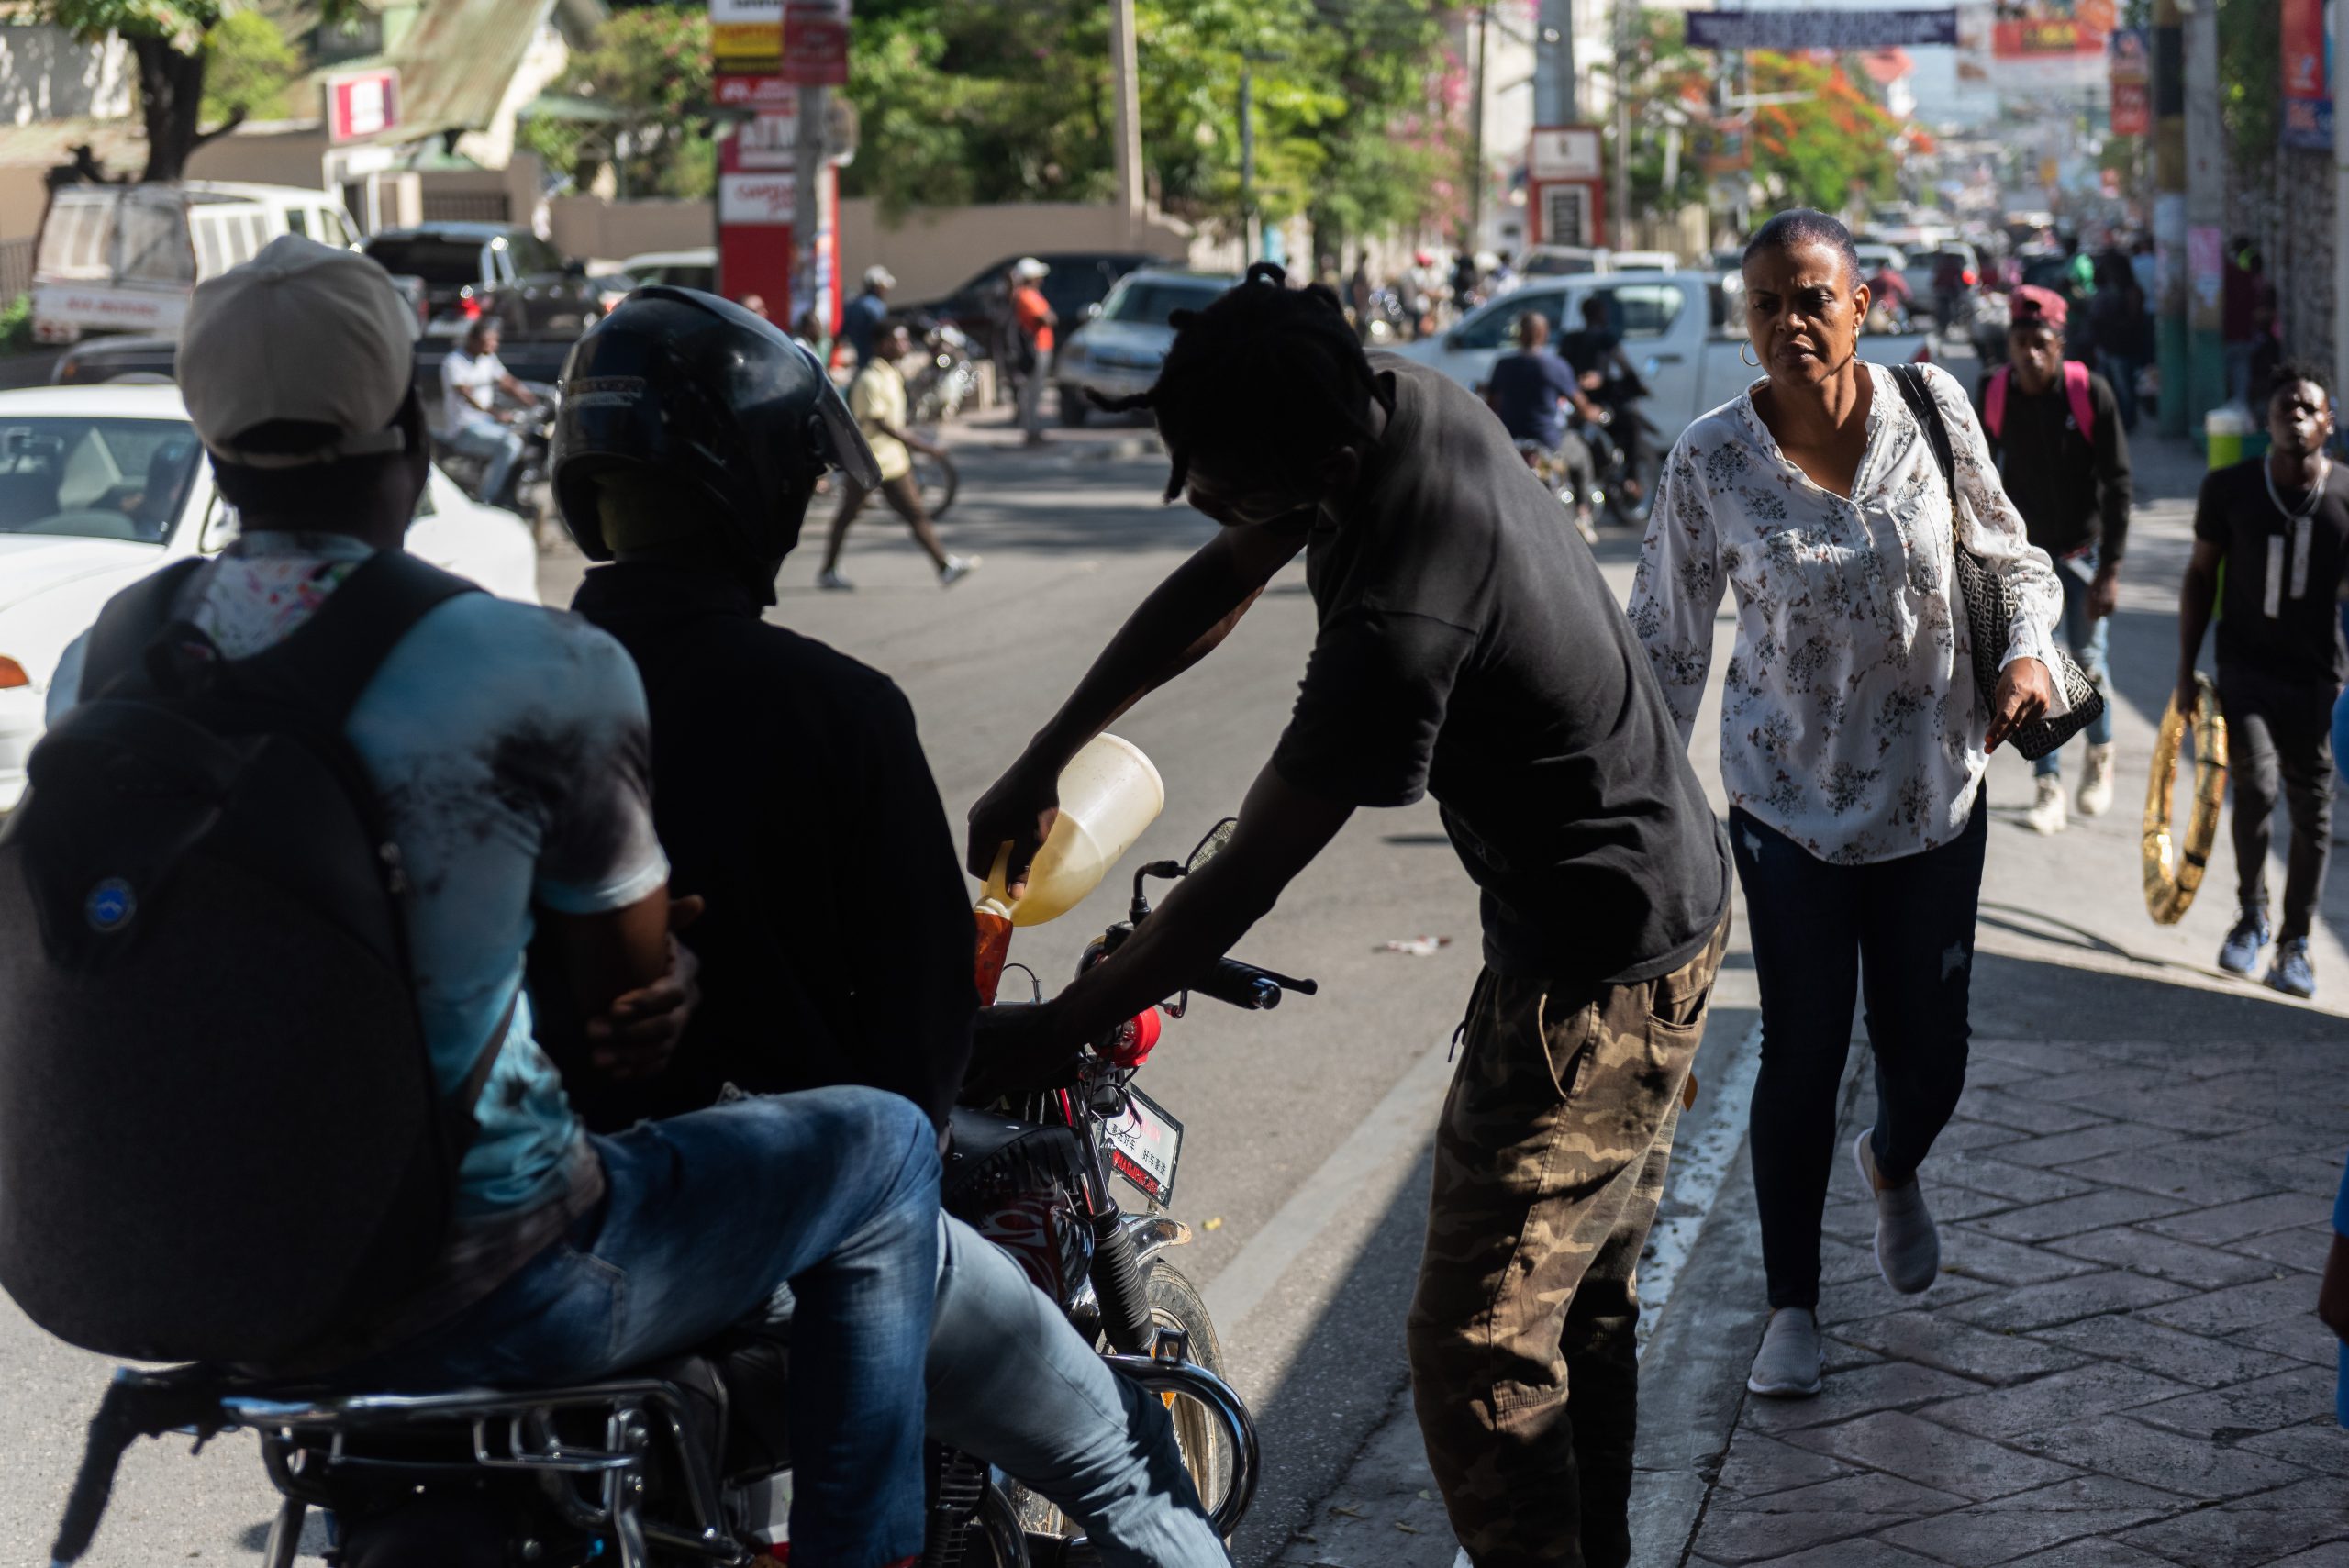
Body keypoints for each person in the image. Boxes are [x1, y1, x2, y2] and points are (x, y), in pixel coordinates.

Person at [42, 239, 941, 1567]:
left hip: (228, 1278)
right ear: (411, 423)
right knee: (883, 1150)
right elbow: (631, 1010)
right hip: (498, 1281)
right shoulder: (534, 664)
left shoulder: (104, 660)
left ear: (206, 433)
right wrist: (658, 971)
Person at [964, 263, 1732, 1568]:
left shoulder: (1403, 608)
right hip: (1639, 905)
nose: (1198, 502)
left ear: (1313, 461)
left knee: (1480, 1345)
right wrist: (1051, 746)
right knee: (1578, 1306)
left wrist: (1058, 1032)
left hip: (1595, 975)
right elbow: (1221, 573)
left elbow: (1252, 866)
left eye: (1220, 480)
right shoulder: (1394, 407)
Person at [507, 284, 1228, 1568]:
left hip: (526, 1245)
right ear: (764, 489)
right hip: (780, 1252)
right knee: (1131, 1465)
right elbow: (913, 1055)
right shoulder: (832, 711)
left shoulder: (493, 703)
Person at [1631, 209, 2063, 1403]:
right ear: (1744, 321)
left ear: (1862, 303)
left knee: (1930, 1057)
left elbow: (2014, 557)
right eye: (1765, 303)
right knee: (1802, 1049)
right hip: (1788, 813)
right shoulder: (1710, 460)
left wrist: (2026, 654)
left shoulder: (1932, 409)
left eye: (1813, 296)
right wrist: (1639, 810)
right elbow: (1662, 648)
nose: (1790, 322)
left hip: (1933, 796)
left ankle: (1895, 1159)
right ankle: (1791, 1307)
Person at [2177, 362, 2348, 1000]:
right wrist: (2182, 671)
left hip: (2315, 676)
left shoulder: (2344, 496)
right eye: (2285, 406)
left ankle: (2295, 942)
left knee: (2314, 806)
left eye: (2309, 407)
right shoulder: (2228, 488)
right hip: (2244, 667)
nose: (2296, 416)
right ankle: (2252, 913)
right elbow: (2199, 578)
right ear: (2267, 420)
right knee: (2255, 781)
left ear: (2328, 422)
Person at [1974, 284, 2132, 835]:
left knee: (2089, 663)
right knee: (2038, 665)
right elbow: (1977, 477)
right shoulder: (1994, 394)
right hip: (2026, 560)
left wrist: (2109, 569)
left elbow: (2118, 483)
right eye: (2020, 342)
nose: (2030, 354)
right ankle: (2048, 786)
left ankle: (2101, 755)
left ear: (2059, 344)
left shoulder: (2091, 394)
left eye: (2040, 342)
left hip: (2084, 553)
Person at [818, 323, 977, 590]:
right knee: (847, 516)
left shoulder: (891, 374)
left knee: (915, 514)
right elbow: (881, 424)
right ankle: (828, 570)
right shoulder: (870, 379)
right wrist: (923, 447)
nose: (905, 345)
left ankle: (944, 567)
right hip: (869, 463)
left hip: (893, 462)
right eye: (898, 340)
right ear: (882, 344)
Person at [1483, 310, 1597, 533]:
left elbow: (1492, 404)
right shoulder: (1555, 366)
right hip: (1548, 441)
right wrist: (1592, 412)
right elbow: (1580, 403)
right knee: (1582, 455)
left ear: (1519, 335)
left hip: (1512, 440)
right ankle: (1584, 514)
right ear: (1543, 335)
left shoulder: (1503, 365)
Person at [440, 318, 536, 505]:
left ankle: (512, 493)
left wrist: (531, 399)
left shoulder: (487, 359)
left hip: (488, 424)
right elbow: (467, 396)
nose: (493, 346)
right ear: (473, 340)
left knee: (525, 436)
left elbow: (508, 383)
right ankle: (486, 499)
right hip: (465, 429)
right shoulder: (454, 363)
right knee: (510, 444)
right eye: (488, 342)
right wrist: (496, 413)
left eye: (495, 342)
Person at [2085, 255, 2144, 431]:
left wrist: (2109, 324)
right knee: (2109, 388)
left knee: (2125, 388)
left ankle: (2127, 422)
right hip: (2107, 347)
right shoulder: (2107, 290)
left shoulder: (2131, 291)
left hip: (2122, 348)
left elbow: (2133, 320)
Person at [1008, 256, 1056, 446]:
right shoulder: (1026, 295)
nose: (1041, 279)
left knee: (1036, 390)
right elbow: (1048, 318)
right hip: (1036, 348)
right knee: (1032, 391)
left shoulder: (1030, 294)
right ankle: (1031, 430)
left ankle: (1034, 429)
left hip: (1042, 346)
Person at [843, 263, 896, 365]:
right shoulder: (876, 306)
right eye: (883, 287)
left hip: (860, 358)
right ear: (876, 287)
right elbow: (881, 334)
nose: (886, 291)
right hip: (875, 359)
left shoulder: (855, 305)